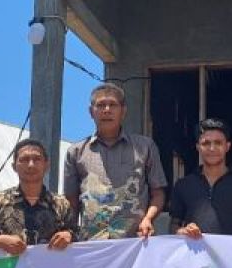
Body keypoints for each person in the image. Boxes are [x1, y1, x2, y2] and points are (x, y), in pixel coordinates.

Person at [64, 82, 167, 240]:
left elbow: (158, 193)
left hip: (135, 242)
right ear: (91, 112)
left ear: (123, 111)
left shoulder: (145, 147)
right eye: (101, 105)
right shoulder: (76, 152)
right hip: (91, 243)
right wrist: (69, 233)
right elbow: (71, 201)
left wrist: (148, 219)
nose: (107, 110)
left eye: (112, 104)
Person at [0, 139, 77, 254]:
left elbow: (78, 237)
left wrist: (68, 235)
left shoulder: (61, 204)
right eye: (24, 159)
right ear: (14, 166)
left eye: (37, 159)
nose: (31, 165)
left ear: (47, 165)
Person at [169, 118, 232, 238]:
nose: (212, 148)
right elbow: (174, 225)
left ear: (227, 146)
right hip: (193, 255)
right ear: (198, 147)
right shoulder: (183, 185)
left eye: (218, 143)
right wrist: (181, 232)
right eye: (206, 143)